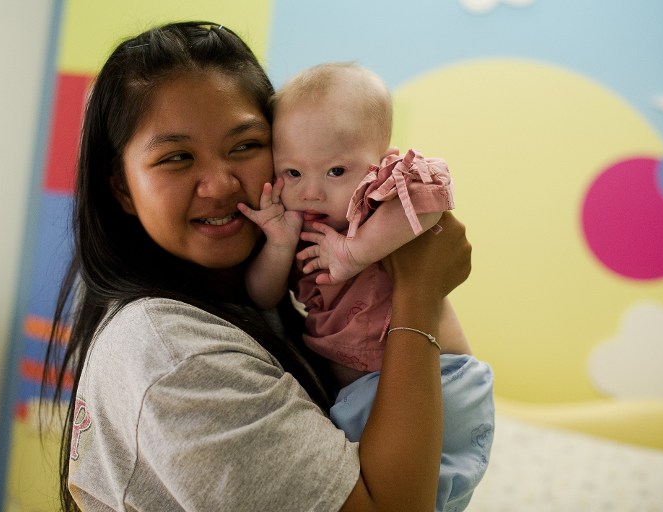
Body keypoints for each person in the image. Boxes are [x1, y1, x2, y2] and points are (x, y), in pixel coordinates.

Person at [40, 21, 475, 512]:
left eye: (245, 146)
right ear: (122, 187)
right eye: (178, 157)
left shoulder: (245, 295)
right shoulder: (176, 357)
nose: (221, 185)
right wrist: (418, 289)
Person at [241, 62, 495, 512]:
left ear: (380, 160)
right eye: (294, 173)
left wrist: (354, 252)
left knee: (428, 490)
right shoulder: (299, 226)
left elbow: (432, 202)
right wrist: (279, 246)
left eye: (336, 171)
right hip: (363, 400)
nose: (312, 191)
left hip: (440, 380)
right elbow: (262, 297)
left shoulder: (378, 198)